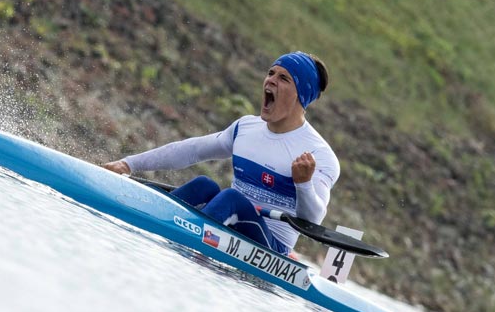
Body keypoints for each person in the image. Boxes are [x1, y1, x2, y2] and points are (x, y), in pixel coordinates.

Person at [103, 51, 339, 257]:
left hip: (271, 247)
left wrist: (303, 184)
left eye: (283, 78)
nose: (271, 80)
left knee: (231, 199)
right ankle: (136, 212)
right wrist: (128, 164)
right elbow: (190, 150)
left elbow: (313, 220)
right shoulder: (245, 127)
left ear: (300, 95)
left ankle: (180, 241)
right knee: (203, 185)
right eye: (271, 73)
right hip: (226, 224)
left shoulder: (318, 154)